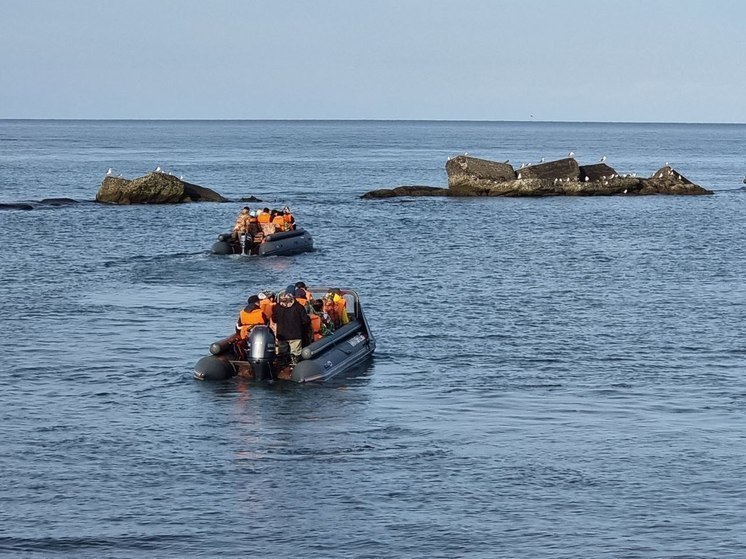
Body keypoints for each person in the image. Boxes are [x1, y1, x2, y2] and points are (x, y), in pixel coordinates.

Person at [272, 290, 311, 365]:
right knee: (296, 354)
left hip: (282, 335)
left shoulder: (277, 307)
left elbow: (274, 319)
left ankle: (282, 367)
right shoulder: (298, 307)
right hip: (295, 335)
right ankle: (295, 367)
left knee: (282, 353)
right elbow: (305, 320)